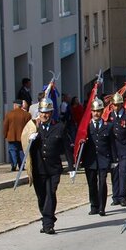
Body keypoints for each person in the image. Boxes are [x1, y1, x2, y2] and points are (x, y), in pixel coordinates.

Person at [23, 99, 72, 235]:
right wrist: (30, 139)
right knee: (42, 197)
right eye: (42, 113)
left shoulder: (59, 127)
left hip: (53, 168)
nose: (45, 115)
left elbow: (67, 148)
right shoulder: (34, 127)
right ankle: (47, 217)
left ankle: (48, 223)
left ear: (51, 113)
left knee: (51, 194)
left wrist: (72, 167)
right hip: (39, 169)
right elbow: (26, 148)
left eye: (47, 113)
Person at [82, 98, 112, 216]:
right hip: (90, 160)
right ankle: (94, 205)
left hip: (104, 159)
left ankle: (101, 207)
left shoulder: (107, 126)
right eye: (94, 111)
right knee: (92, 183)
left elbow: (111, 144)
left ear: (102, 112)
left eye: (98, 111)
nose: (96, 113)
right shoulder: (86, 127)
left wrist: (114, 160)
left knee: (102, 183)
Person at [108, 92, 126, 207]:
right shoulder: (109, 116)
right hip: (114, 148)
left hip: (125, 147)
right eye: (114, 105)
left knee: (123, 172)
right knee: (115, 173)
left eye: (118, 104)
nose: (116, 107)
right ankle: (115, 197)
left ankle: (122, 197)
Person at [1, 100, 31, 171]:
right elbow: (29, 126)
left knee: (12, 150)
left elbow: (5, 126)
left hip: (12, 136)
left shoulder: (9, 114)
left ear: (15, 105)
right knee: (21, 151)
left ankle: (14, 163)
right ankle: (21, 165)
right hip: (23, 136)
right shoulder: (27, 115)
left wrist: (4, 134)